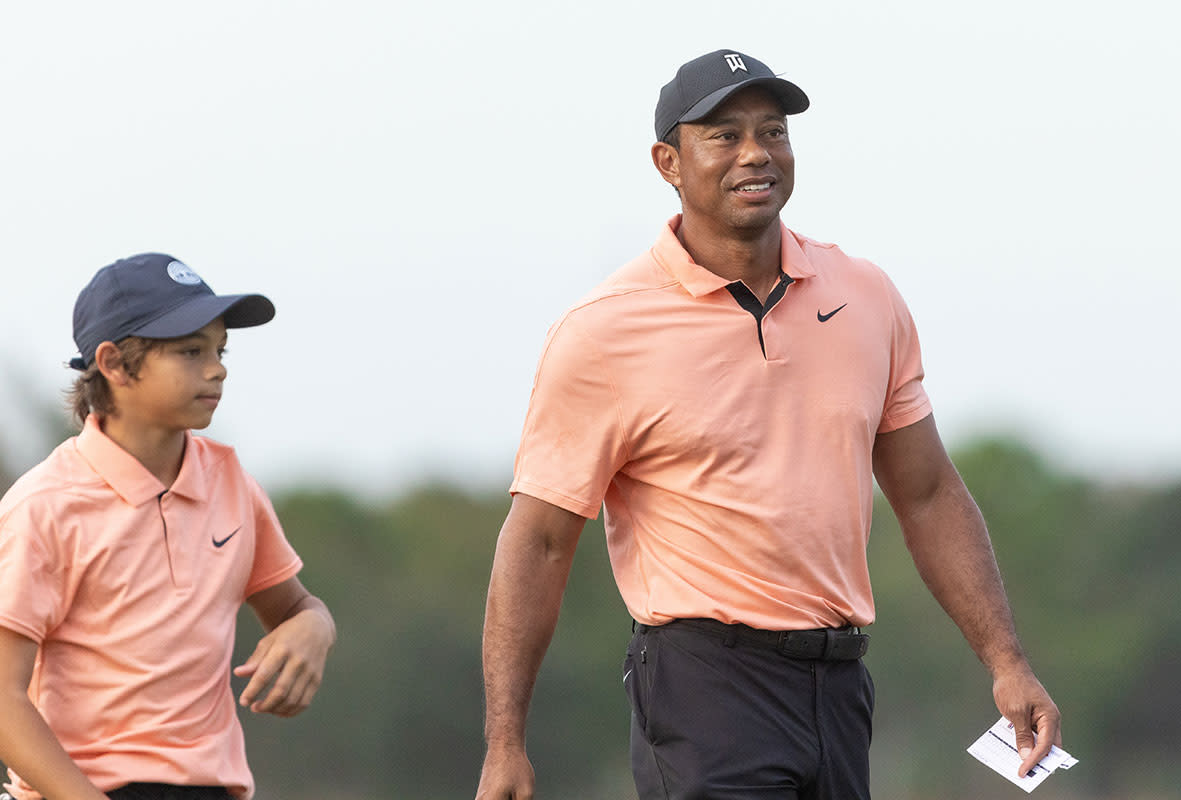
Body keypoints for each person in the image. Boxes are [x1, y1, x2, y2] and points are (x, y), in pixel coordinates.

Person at [475, 49, 1061, 800]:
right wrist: (504, 743)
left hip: (840, 684)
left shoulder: (865, 295)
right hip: (702, 682)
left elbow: (927, 494)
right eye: (723, 135)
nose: (756, 152)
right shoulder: (603, 331)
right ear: (668, 161)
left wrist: (1007, 662)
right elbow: (541, 539)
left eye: (773, 131)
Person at [0, 253, 337, 800]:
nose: (217, 367)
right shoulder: (45, 506)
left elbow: (297, 606)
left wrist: (315, 627)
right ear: (113, 363)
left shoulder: (232, 484)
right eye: (190, 350)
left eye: (219, 349)